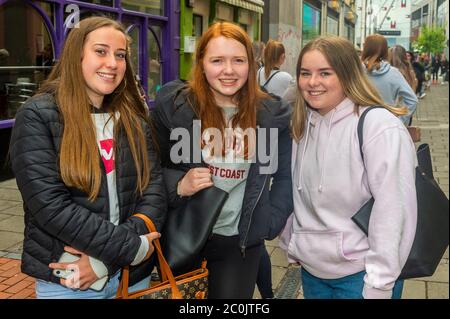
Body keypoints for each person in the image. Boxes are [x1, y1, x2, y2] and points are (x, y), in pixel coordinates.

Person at [9, 17, 167, 299]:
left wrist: (104, 261)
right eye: (101, 51)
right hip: (71, 282)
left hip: (132, 277)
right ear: (76, 54)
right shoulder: (38, 115)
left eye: (120, 55)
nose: (113, 63)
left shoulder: (133, 117)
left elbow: (154, 190)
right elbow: (50, 206)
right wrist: (130, 247)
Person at [151, 21, 293, 299]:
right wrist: (178, 185)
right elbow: (149, 168)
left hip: (240, 243)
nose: (228, 70)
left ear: (251, 65)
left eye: (238, 60)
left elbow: (285, 175)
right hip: (185, 233)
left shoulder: (270, 114)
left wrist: (270, 221)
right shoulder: (175, 107)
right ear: (202, 62)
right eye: (217, 60)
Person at [279, 36, 417, 299]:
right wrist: (293, 243)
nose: (312, 82)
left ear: (347, 74)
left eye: (325, 73)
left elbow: (394, 211)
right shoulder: (302, 125)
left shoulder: (378, 126)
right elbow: (299, 196)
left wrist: (379, 284)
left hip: (361, 276)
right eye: (305, 73)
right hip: (312, 272)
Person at [361, 34, 418, 125]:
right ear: (385, 51)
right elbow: (412, 100)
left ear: (365, 48)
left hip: (360, 125)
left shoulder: (355, 72)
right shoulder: (393, 73)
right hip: (385, 126)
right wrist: (399, 121)